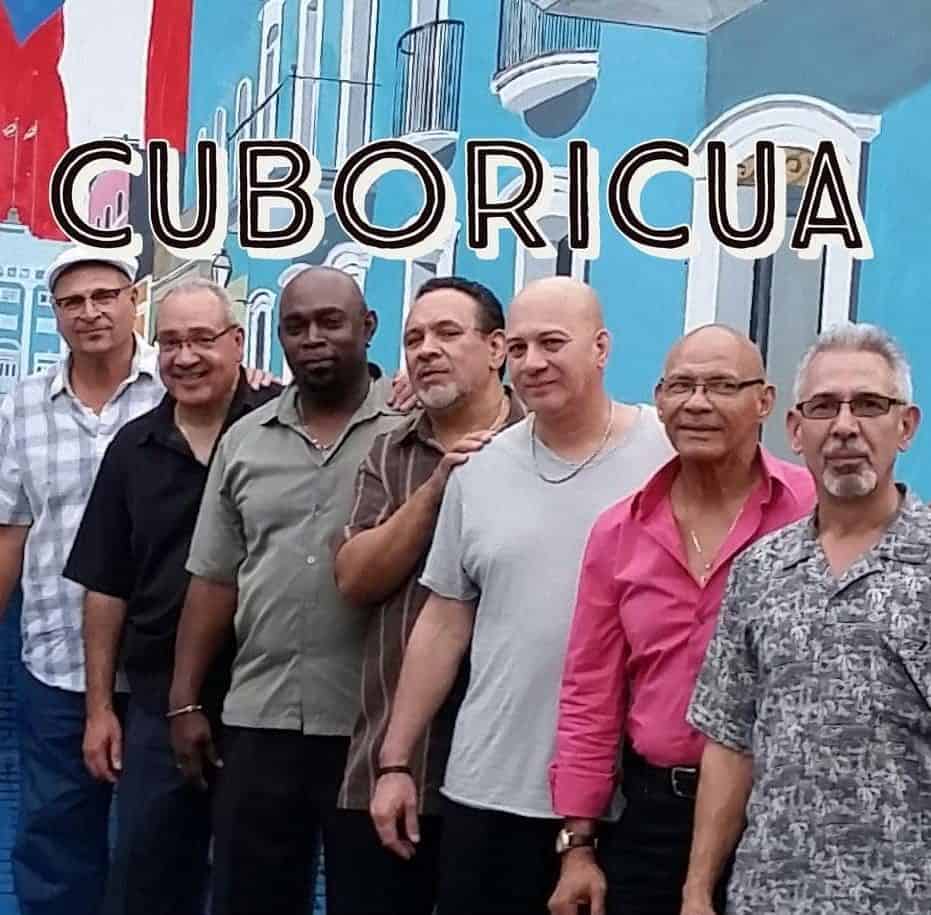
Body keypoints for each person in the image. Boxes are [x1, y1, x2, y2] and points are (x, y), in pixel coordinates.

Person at [371, 276, 674, 915]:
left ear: (601, 348)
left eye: (554, 344)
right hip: (490, 790)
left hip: (630, 802)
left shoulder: (668, 455)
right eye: (521, 346)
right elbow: (444, 619)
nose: (533, 363)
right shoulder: (477, 467)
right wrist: (395, 760)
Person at [548, 325, 816, 915]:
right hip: (654, 813)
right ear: (659, 399)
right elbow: (590, 692)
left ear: (764, 402)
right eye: (682, 387)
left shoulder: (814, 514)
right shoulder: (619, 531)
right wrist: (579, 845)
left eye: (722, 385)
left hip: (782, 812)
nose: (698, 403)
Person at [167, 266, 407, 915]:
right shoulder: (244, 440)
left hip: (374, 731)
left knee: (375, 900)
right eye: (296, 326)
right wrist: (185, 701)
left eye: (330, 321)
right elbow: (215, 576)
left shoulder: (411, 434)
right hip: (257, 720)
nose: (312, 338)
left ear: (368, 327)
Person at [682, 323, 929, 915]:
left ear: (906, 426)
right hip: (770, 896)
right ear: (795, 431)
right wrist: (696, 889)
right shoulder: (761, 568)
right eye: (824, 406)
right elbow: (730, 741)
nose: (845, 426)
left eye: (869, 404)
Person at [61, 278, 283, 915]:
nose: (185, 357)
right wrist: (102, 708)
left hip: (261, 696)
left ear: (238, 343)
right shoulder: (132, 449)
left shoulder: (283, 429)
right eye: (170, 342)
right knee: (147, 877)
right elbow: (106, 587)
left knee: (259, 881)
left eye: (203, 340)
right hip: (157, 701)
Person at [332, 276, 524, 915]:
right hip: (394, 764)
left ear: (497, 348)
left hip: (514, 775)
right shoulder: (391, 450)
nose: (426, 350)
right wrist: (438, 487)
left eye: (447, 333)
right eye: (415, 337)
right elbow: (354, 578)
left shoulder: (547, 443)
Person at [0, 247, 165, 915]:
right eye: (73, 301)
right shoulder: (20, 408)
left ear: (134, 301)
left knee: (163, 845)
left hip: (167, 667)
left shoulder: (191, 381)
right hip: (58, 663)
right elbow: (9, 532)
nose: (91, 312)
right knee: (54, 838)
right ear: (56, 315)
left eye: (106, 295)